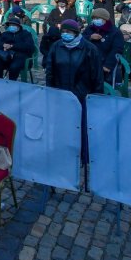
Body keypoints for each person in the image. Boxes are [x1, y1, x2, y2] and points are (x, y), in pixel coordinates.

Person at [42, 19, 103, 165]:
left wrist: (97, 96)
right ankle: (61, 151)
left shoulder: (89, 49)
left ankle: (83, 155)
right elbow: (50, 70)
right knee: (61, 124)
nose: (65, 34)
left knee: (82, 126)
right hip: (61, 92)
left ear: (76, 33)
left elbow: (97, 74)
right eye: (63, 32)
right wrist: (51, 91)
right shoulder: (56, 47)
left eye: (68, 32)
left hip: (82, 94)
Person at [84, 8, 125, 86]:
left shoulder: (114, 32)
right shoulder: (89, 29)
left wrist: (108, 65)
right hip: (89, 61)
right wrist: (90, 37)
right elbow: (81, 39)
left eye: (97, 18)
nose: (95, 20)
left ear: (105, 19)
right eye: (93, 18)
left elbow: (117, 49)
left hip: (105, 62)